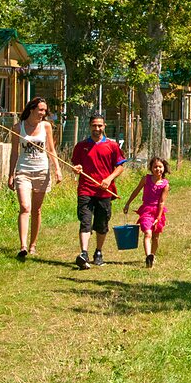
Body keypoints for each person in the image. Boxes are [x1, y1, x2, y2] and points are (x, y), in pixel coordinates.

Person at [7, 97, 62, 260]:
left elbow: (51, 149)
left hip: (41, 171)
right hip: (23, 171)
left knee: (36, 210)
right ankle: (23, 246)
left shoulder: (46, 126)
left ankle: (33, 245)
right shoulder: (18, 127)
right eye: (40, 110)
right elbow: (14, 152)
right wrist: (11, 174)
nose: (43, 113)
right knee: (25, 206)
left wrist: (57, 169)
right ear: (31, 109)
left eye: (45, 111)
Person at [70, 114, 126, 270]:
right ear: (89, 126)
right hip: (85, 188)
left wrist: (109, 179)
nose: (97, 128)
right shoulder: (81, 146)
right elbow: (76, 166)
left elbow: (120, 166)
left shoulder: (112, 145)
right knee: (85, 221)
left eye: (99, 125)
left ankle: (98, 252)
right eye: (94, 125)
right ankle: (84, 253)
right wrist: (77, 169)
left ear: (104, 126)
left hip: (104, 191)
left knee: (102, 224)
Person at [123, 156, 169, 268]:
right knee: (148, 233)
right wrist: (128, 203)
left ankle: (152, 255)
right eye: (155, 167)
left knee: (156, 237)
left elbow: (162, 202)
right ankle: (148, 256)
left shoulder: (165, 184)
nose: (158, 169)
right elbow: (136, 191)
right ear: (151, 168)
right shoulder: (146, 179)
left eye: (160, 167)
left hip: (158, 212)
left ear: (164, 168)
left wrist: (158, 217)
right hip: (146, 211)